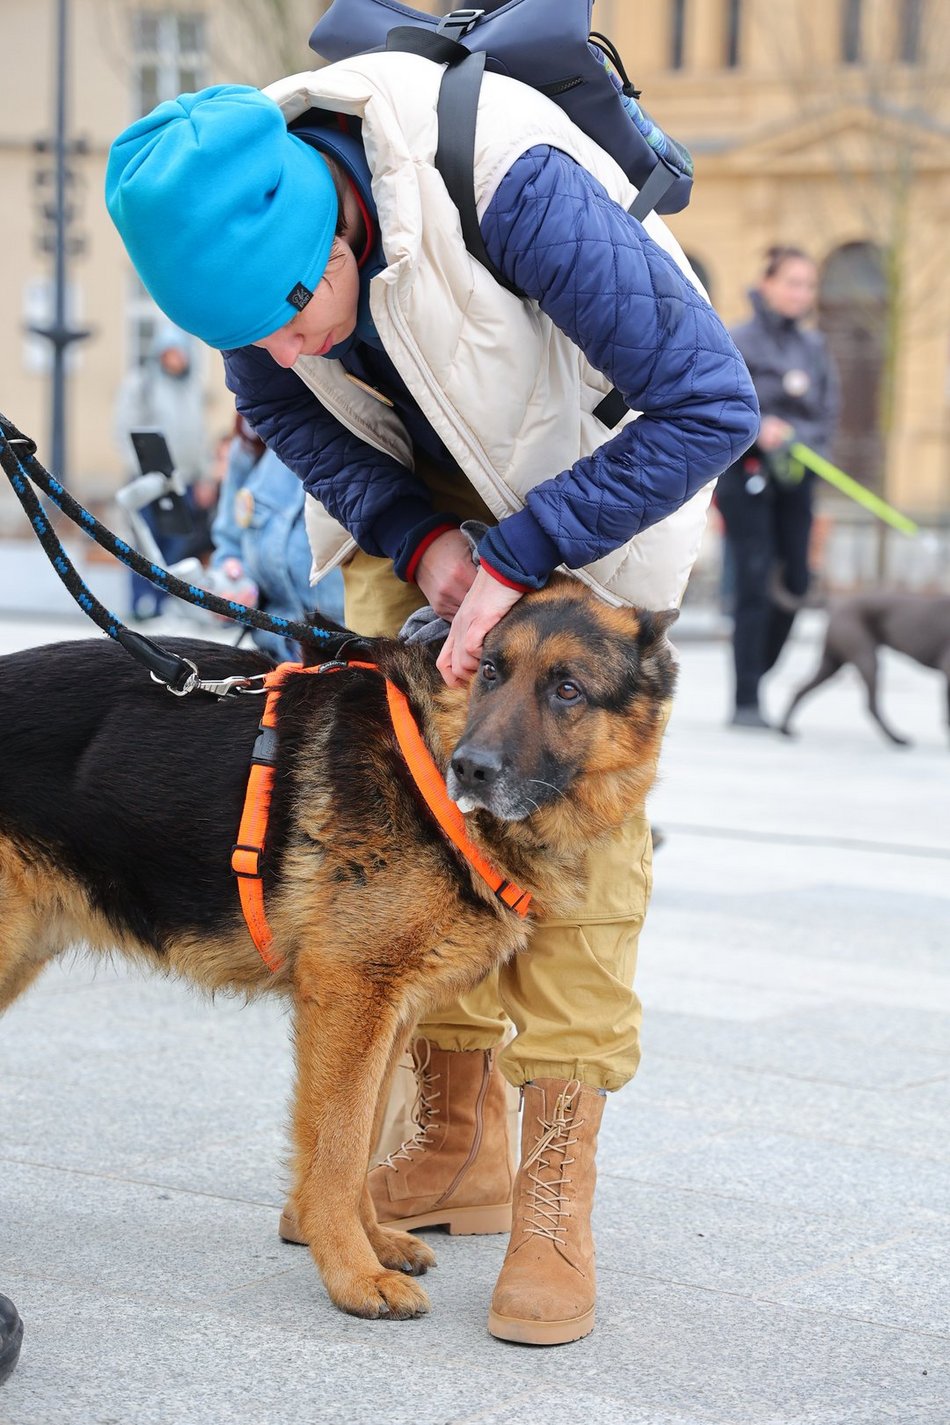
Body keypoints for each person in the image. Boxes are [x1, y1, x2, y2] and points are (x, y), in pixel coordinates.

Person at [104, 63, 758, 1344]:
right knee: (396, 850)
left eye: (297, 311)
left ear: (339, 219)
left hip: (597, 505)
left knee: (573, 839)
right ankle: (453, 1139)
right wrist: (424, 543)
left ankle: (553, 1188)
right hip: (424, 535)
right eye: (253, 336)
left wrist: (519, 553)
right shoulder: (257, 304)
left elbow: (711, 403)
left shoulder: (513, 185)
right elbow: (284, 417)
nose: (286, 349)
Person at [715, 246, 840, 728]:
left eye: (808, 285)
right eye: (792, 282)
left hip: (798, 481)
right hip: (748, 477)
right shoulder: (739, 338)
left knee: (796, 583)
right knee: (754, 578)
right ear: (767, 283)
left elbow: (827, 417)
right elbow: (721, 400)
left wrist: (798, 438)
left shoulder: (815, 349)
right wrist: (759, 428)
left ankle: (760, 669)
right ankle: (746, 698)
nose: (800, 294)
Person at [208, 412, 345, 660]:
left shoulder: (359, 433)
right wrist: (236, 584)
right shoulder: (251, 443)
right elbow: (230, 545)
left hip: (360, 666)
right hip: (275, 662)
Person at [113, 327, 214, 616]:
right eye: (169, 352)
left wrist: (204, 476)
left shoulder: (191, 386)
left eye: (179, 352)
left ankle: (166, 602)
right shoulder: (142, 384)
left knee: (179, 544)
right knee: (146, 544)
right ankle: (142, 604)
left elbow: (199, 435)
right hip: (151, 483)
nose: (175, 359)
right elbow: (124, 430)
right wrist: (144, 471)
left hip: (184, 483)